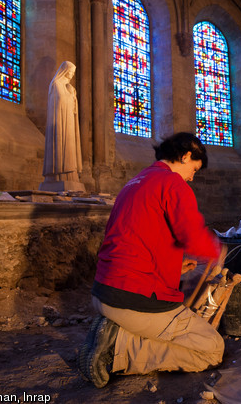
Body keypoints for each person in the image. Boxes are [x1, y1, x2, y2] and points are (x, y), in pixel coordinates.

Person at [78, 132, 227, 388]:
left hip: (104, 292)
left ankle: (115, 330)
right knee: (212, 348)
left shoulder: (136, 182)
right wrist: (218, 251)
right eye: (194, 168)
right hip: (133, 298)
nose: (192, 177)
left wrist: (172, 265)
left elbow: (136, 239)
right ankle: (116, 351)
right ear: (186, 155)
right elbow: (193, 237)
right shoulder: (173, 183)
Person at [40, 61, 83, 190]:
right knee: (61, 148)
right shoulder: (56, 84)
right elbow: (59, 102)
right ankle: (59, 174)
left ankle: (70, 174)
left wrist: (72, 95)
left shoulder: (69, 87)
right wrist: (70, 95)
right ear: (65, 70)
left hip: (69, 122)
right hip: (60, 123)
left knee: (70, 147)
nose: (72, 74)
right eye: (71, 71)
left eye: (73, 73)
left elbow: (72, 106)